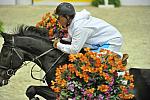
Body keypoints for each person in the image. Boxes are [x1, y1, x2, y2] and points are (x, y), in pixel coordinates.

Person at [53, 2, 123, 56]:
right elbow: (72, 36)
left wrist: (57, 45)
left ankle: (119, 58)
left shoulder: (80, 27)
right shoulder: (73, 19)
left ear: (67, 17)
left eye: (59, 17)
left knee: (95, 62)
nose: (57, 20)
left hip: (112, 40)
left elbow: (74, 50)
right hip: (101, 39)